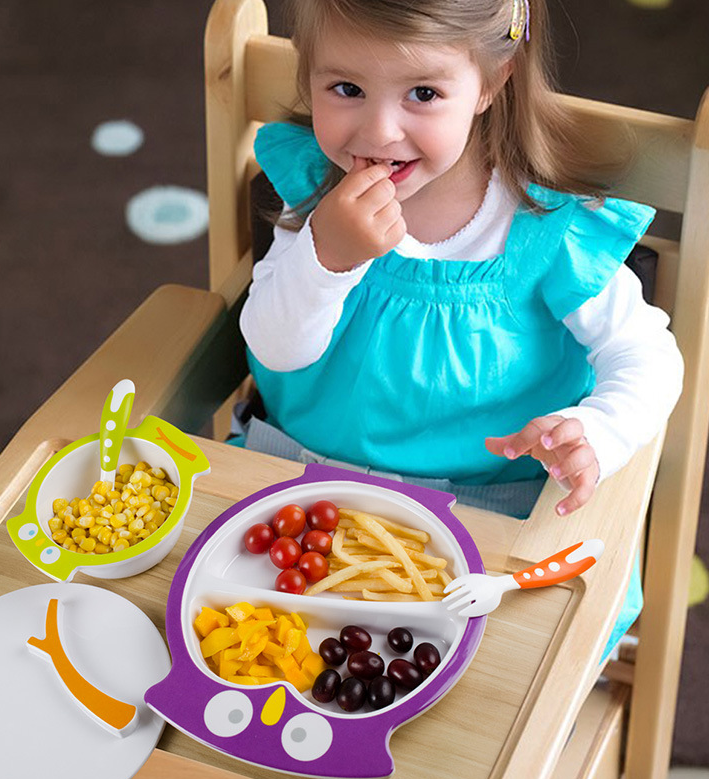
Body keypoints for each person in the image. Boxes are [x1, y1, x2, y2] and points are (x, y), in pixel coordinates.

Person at [237, 0, 684, 655]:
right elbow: (274, 347)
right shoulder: (317, 200)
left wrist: (597, 431)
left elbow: (648, 356)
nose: (379, 130)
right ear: (308, 78)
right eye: (346, 89)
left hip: (483, 532)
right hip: (302, 497)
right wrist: (326, 257)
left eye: (423, 93)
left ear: (492, 83)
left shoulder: (546, 235)